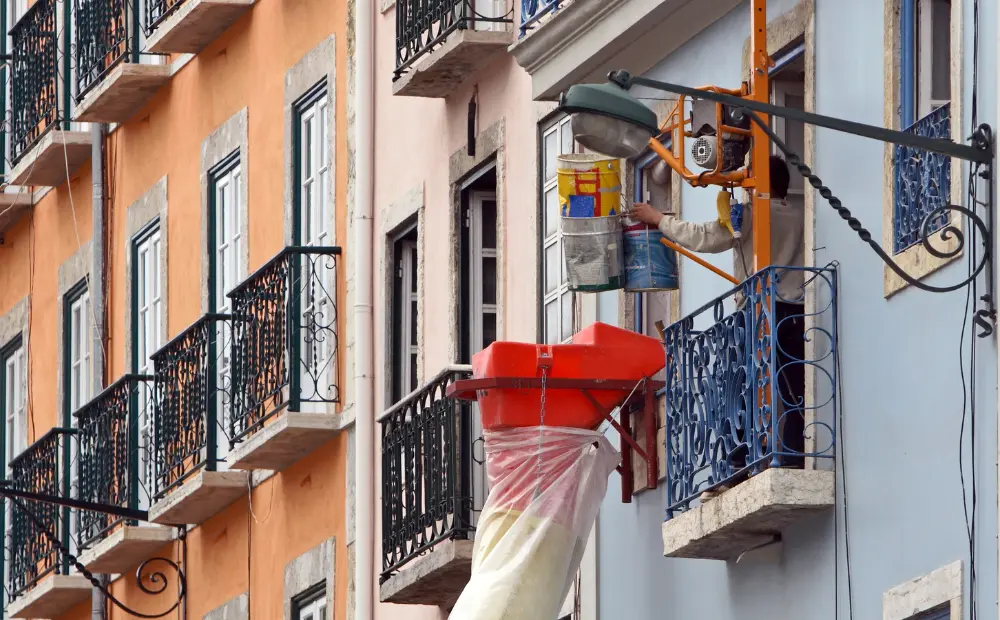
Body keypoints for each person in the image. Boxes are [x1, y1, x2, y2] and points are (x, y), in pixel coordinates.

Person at [628, 155, 806, 486]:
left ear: (758, 183)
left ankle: (739, 459)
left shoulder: (750, 214)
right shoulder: (801, 216)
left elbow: (705, 237)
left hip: (757, 311)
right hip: (795, 312)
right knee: (793, 387)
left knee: (740, 385)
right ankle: (794, 454)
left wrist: (658, 219)